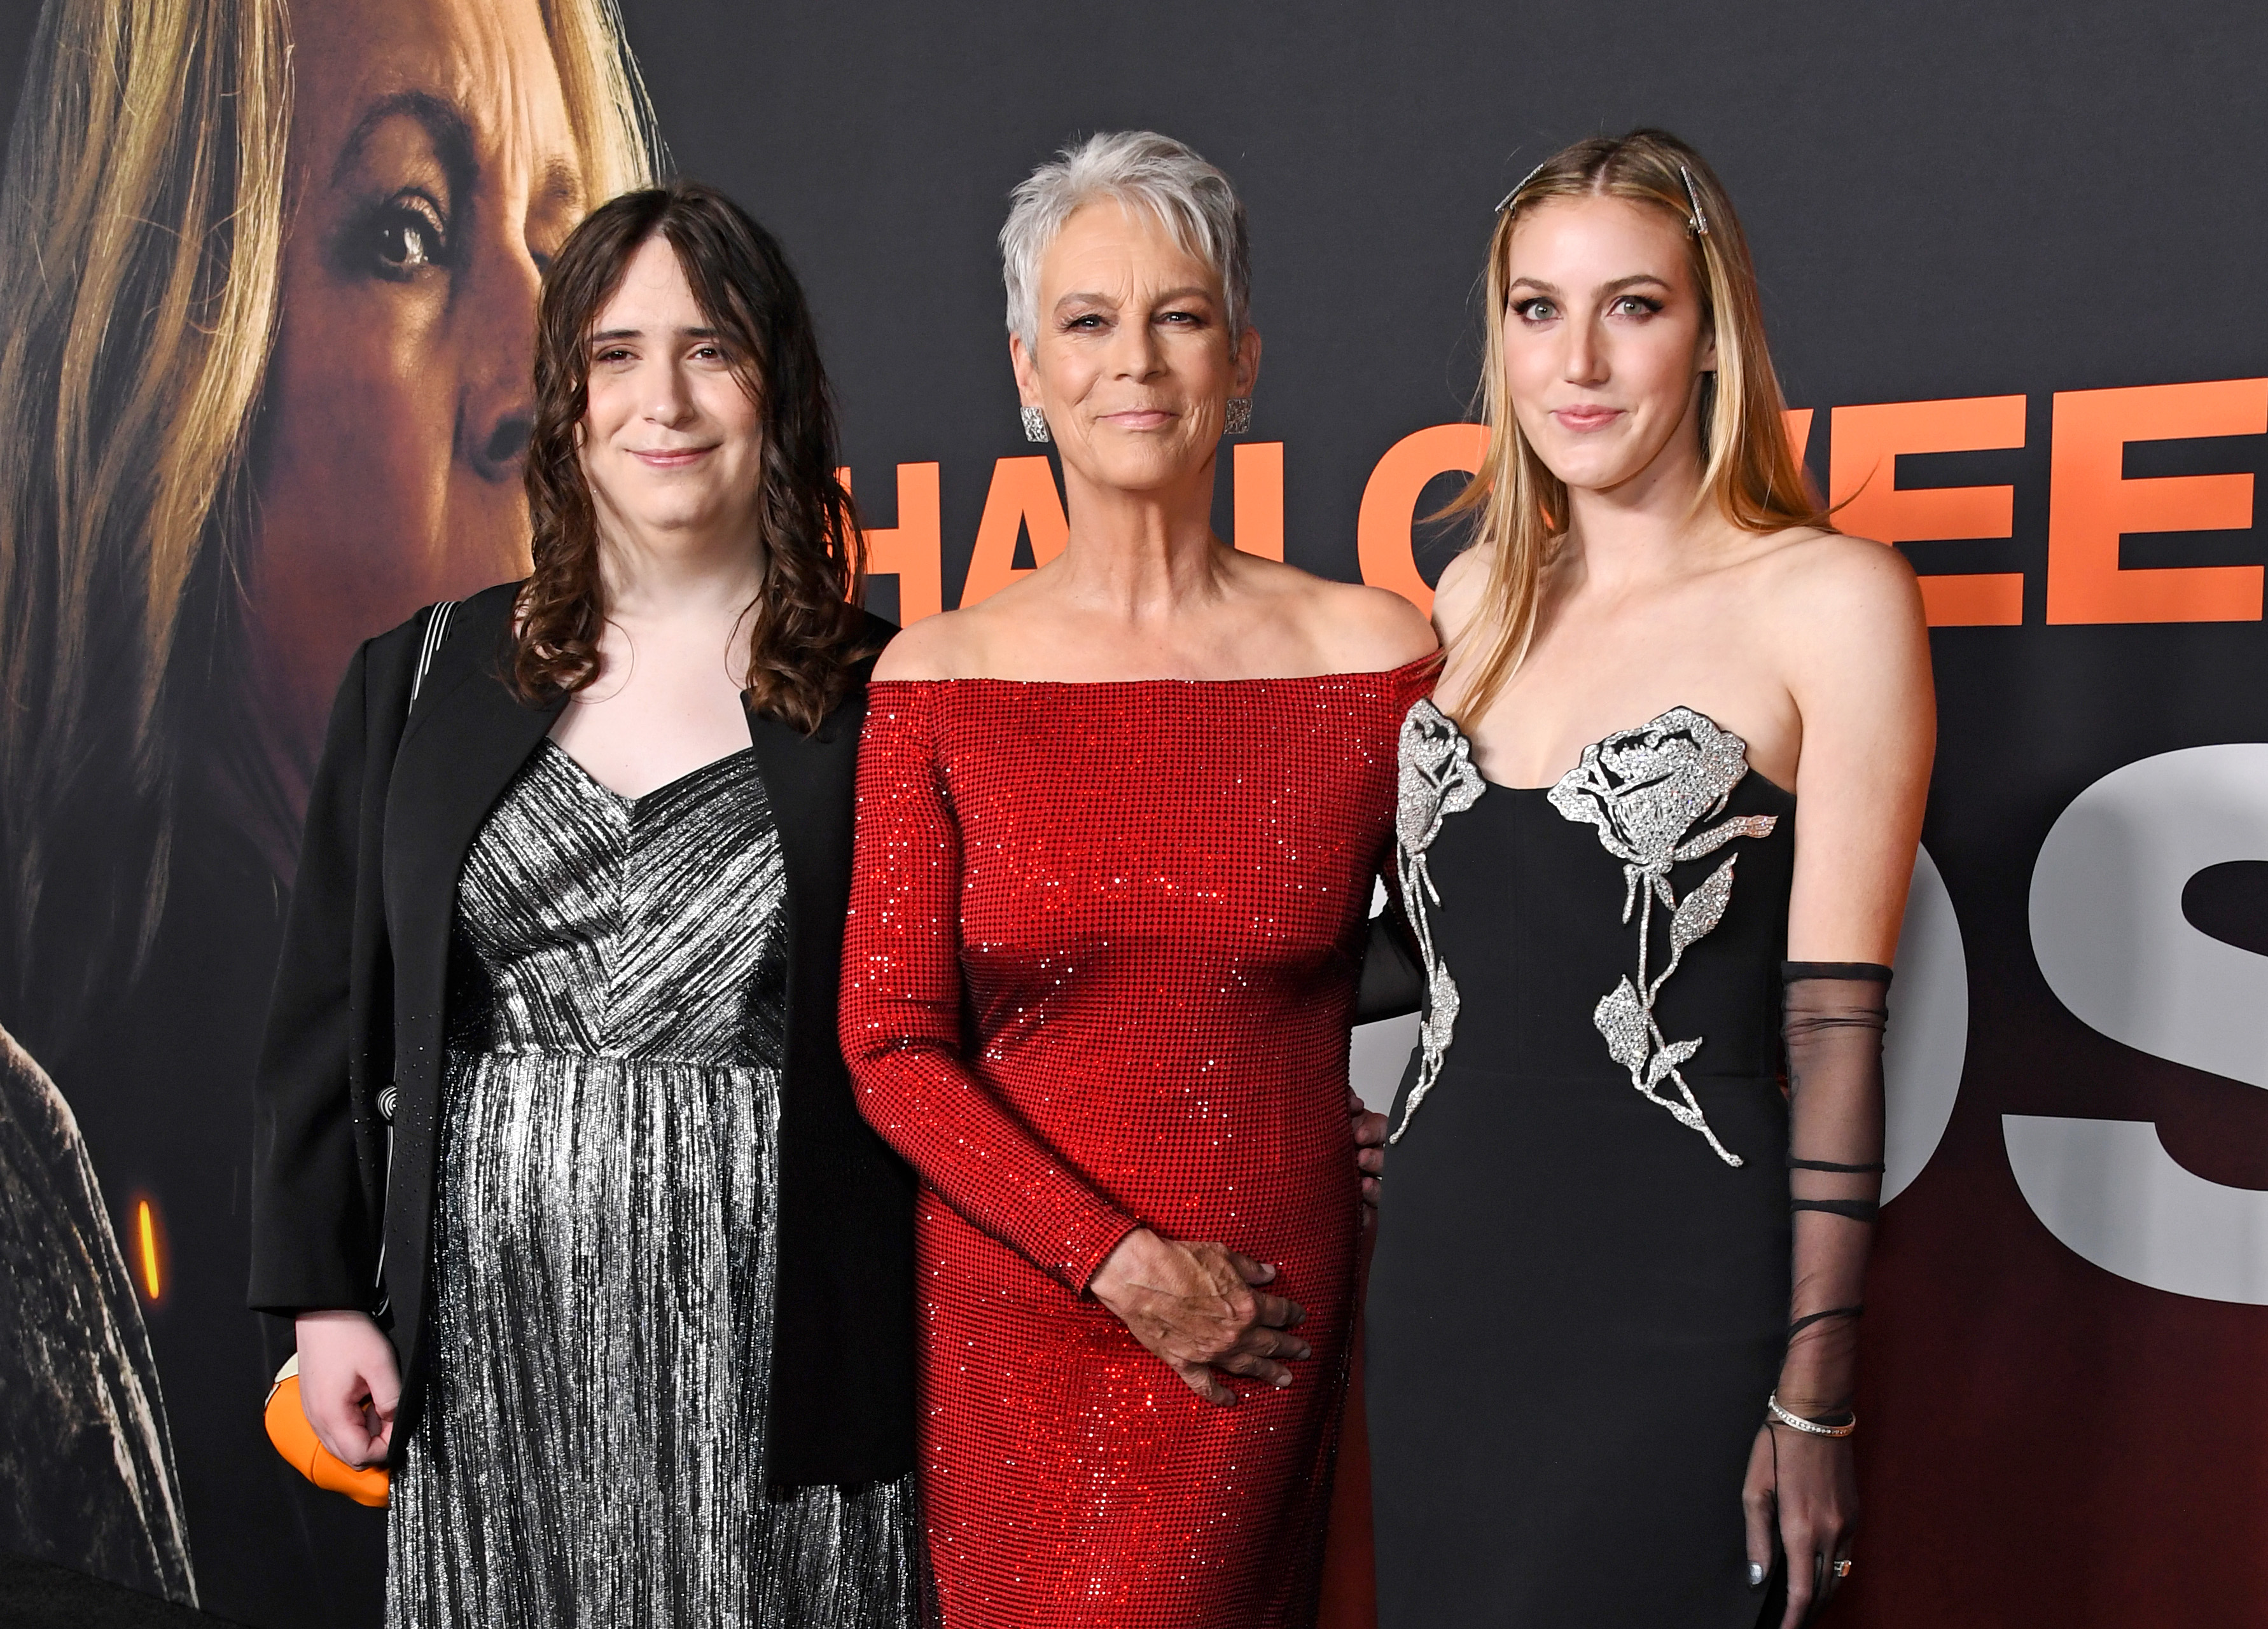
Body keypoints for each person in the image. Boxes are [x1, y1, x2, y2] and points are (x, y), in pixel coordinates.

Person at [0, 0, 655, 1608]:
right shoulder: (124, 1149)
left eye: (567, 252)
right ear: (169, 373)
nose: (556, 382)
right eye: (405, 237)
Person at [247, 182, 927, 1627]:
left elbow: (993, 1014)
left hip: (787, 1350)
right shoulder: (415, 678)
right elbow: (322, 1010)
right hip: (486, 1346)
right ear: (564, 398)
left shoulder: (900, 696)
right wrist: (324, 1297)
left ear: (780, 390)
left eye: (710, 349)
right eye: (616, 354)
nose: (661, 400)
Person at [838, 131, 1437, 1629]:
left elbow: (1492, 944)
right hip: (1018, 1300)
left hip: (1259, 1301)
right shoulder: (937, 675)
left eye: (1178, 317)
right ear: (1028, 372)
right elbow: (890, 1045)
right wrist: (1109, 1261)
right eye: (1088, 321)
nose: (1136, 362)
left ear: (1241, 361)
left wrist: (1393, 1108)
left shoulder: (1375, 658)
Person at [1364, 129, 1933, 1628]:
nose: (1579, 363)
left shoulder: (1830, 600)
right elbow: (1452, 945)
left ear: (1711, 332)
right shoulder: (1471, 597)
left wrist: (1815, 1389)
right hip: (1443, 1285)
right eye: (1536, 309)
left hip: (1681, 1290)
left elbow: (1832, 1029)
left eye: (1633, 306)